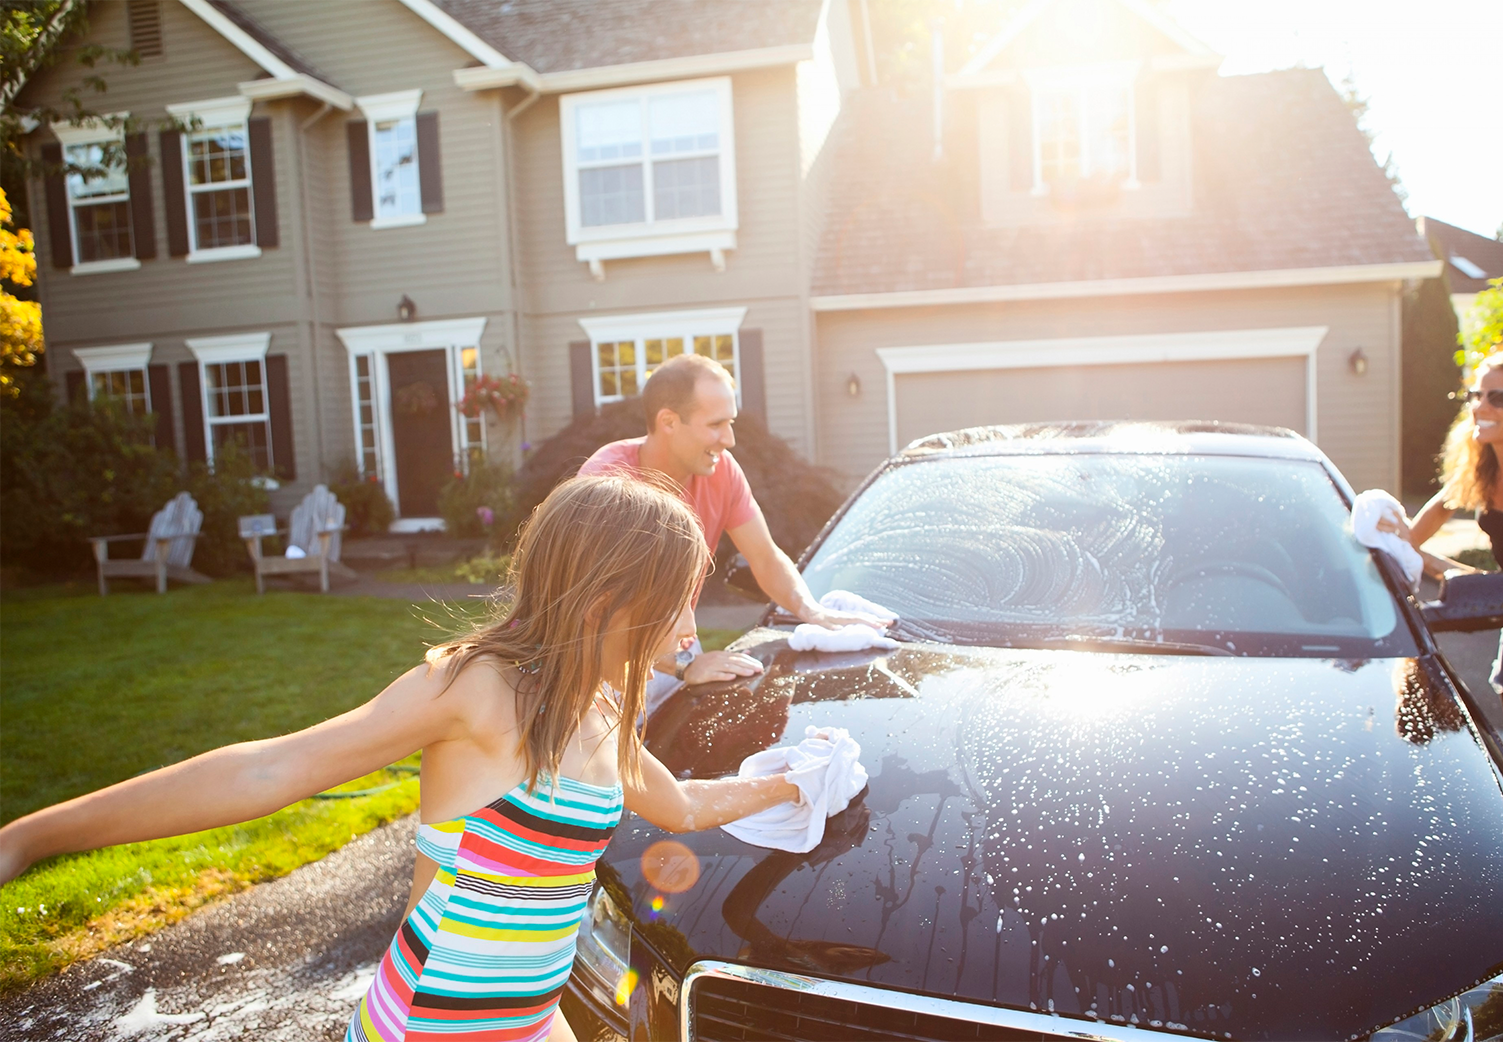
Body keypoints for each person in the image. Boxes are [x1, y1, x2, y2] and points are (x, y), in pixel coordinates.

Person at [0, 475, 804, 1042]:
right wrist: (29, 839)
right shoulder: (477, 689)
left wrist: (795, 784)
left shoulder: (600, 712)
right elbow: (267, 770)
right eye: (678, 602)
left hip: (524, 1026)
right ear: (610, 599)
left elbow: (686, 808)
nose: (689, 627)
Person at [578, 353, 885, 693]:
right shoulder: (606, 482)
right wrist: (684, 666)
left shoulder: (721, 470)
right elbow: (595, 611)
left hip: (675, 647)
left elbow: (765, 558)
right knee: (614, 747)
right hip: (605, 661)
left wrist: (812, 611)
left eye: (731, 423)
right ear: (668, 421)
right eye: (715, 425)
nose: (729, 440)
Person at [1395, 348, 1503, 815]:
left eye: (1499, 397)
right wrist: (1390, 538)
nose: (1480, 406)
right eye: (1475, 394)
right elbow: (1421, 523)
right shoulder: (1482, 469)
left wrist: (1418, 556)